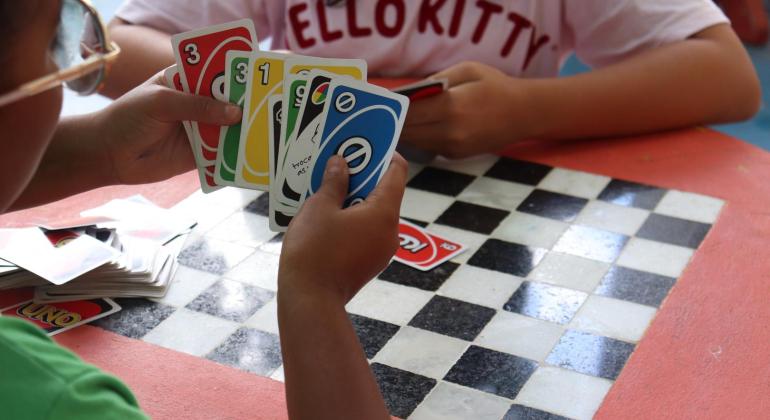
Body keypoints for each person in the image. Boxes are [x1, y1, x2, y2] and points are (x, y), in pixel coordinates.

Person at [0, 0, 398, 418]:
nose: (64, 67)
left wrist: (102, 148)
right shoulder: (59, 401)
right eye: (55, 46)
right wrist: (315, 293)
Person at [105, 0, 762, 159]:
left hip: (510, 198)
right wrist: (286, 95)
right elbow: (114, 46)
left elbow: (727, 75)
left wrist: (528, 108)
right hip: (310, 192)